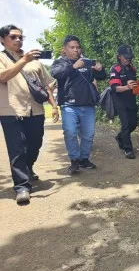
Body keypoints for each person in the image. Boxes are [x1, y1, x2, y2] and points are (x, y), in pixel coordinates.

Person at [0, 24, 59, 204]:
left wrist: (54, 105)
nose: (18, 40)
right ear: (3, 40)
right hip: (11, 110)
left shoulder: (35, 61)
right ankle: (22, 186)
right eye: (13, 37)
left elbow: (47, 84)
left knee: (35, 143)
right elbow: (2, 77)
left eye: (20, 37)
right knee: (17, 148)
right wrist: (23, 61)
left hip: (36, 109)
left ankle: (28, 167)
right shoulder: (2, 57)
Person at [51, 35, 106, 175]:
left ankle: (84, 159)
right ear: (65, 49)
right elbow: (56, 74)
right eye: (72, 47)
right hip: (69, 105)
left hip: (88, 105)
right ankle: (74, 161)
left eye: (78, 47)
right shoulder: (60, 62)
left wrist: (100, 69)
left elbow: (101, 77)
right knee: (70, 132)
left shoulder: (86, 62)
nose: (76, 50)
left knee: (88, 134)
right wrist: (73, 66)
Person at [108, 44, 139, 159]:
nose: (128, 59)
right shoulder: (115, 69)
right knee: (126, 124)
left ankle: (120, 137)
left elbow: (136, 86)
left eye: (130, 57)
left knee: (133, 124)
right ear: (119, 56)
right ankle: (128, 149)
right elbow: (115, 88)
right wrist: (127, 87)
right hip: (119, 100)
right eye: (126, 57)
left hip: (130, 99)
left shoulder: (132, 69)